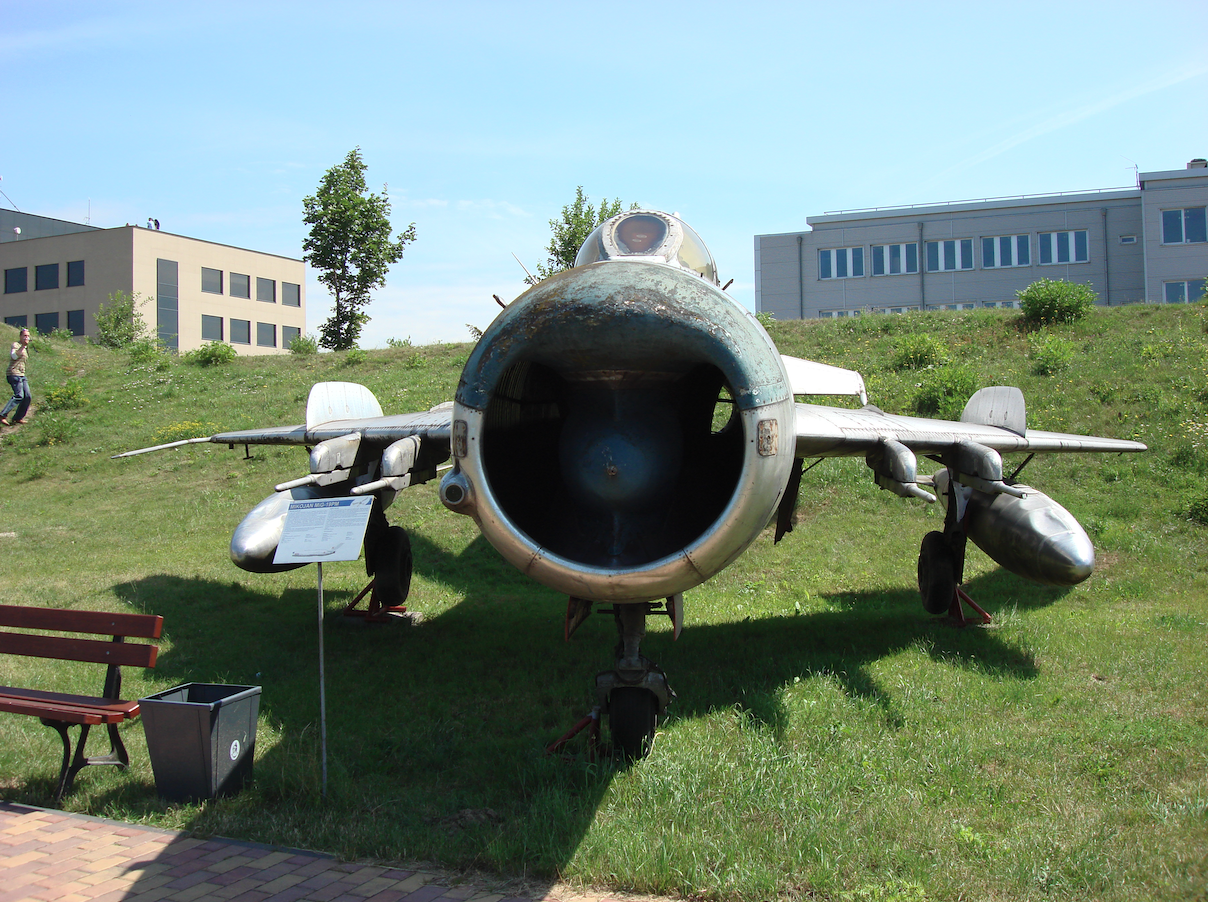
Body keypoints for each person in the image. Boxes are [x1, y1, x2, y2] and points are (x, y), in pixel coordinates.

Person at [1, 328, 32, 426]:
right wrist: (23, 346)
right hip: (13, 373)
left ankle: (18, 417)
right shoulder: (16, 345)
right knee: (19, 395)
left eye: (28, 336)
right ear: (20, 336)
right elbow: (14, 356)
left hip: (22, 375)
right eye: (24, 336)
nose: (26, 337)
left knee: (27, 396)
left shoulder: (25, 348)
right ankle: (2, 415)